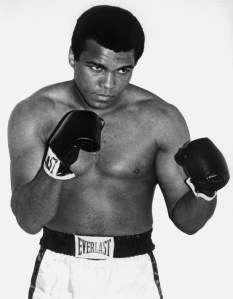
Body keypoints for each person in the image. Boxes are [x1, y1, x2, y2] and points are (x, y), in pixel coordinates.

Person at [8, 5, 230, 299]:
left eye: (123, 70)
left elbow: (188, 223)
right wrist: (56, 166)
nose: (109, 84)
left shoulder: (160, 120)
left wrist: (206, 191)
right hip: (60, 270)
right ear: (73, 57)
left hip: (132, 275)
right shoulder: (34, 114)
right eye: (97, 67)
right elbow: (28, 221)